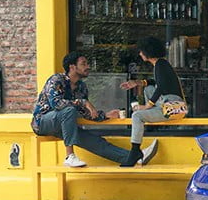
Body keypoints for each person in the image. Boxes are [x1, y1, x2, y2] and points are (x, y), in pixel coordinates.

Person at [32, 52, 154, 167]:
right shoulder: (57, 80)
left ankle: (135, 157)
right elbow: (56, 104)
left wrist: (105, 115)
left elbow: (86, 112)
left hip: (66, 126)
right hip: (43, 122)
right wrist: (83, 102)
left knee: (97, 142)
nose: (88, 67)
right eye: (83, 64)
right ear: (72, 67)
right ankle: (69, 156)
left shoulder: (82, 87)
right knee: (69, 111)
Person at [120, 37, 184, 166]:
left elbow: (161, 87)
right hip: (169, 104)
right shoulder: (161, 64)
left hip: (173, 107)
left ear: (148, 51)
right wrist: (137, 83)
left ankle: (135, 150)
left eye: (141, 51)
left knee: (137, 116)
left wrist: (147, 106)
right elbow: (156, 83)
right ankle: (149, 119)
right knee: (148, 89)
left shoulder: (160, 65)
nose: (140, 54)